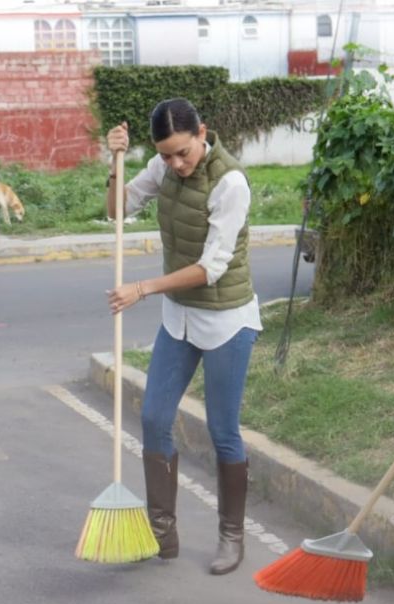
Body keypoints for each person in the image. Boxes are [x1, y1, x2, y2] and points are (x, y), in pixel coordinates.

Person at [104, 98, 260, 576]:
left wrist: (142, 288)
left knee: (222, 431)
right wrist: (114, 165)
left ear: (202, 134)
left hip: (226, 320)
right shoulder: (162, 166)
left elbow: (211, 269)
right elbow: (117, 210)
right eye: (165, 155)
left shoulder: (230, 183)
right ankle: (161, 533)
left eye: (182, 153)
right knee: (153, 417)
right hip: (180, 318)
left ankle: (231, 537)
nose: (174, 164)